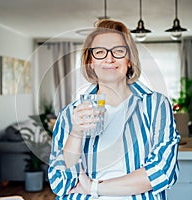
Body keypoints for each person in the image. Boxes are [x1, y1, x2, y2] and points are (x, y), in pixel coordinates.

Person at [48, 19, 180, 200]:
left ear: (130, 61)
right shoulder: (70, 114)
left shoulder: (156, 105)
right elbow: (60, 183)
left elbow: (162, 172)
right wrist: (76, 133)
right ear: (90, 62)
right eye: (100, 52)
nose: (109, 59)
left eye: (118, 51)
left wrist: (93, 187)